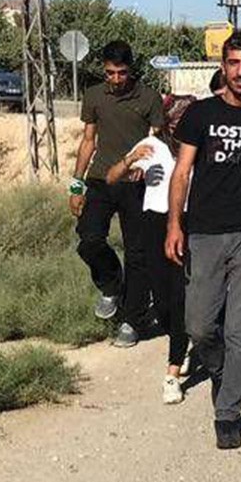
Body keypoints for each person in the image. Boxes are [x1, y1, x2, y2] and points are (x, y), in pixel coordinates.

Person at [166, 32, 241, 450]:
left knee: (239, 327)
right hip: (204, 231)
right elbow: (182, 172)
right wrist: (174, 224)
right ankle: (220, 367)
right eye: (234, 63)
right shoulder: (200, 114)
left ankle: (228, 412)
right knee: (199, 325)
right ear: (223, 65)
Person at [71, 40, 167, 334]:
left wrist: (144, 166)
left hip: (135, 184)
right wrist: (76, 185)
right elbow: (88, 141)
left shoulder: (149, 98)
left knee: (137, 252)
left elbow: (158, 141)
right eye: (110, 73)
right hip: (101, 179)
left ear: (131, 70)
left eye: (121, 73)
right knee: (88, 239)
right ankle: (112, 285)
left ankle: (132, 318)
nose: (115, 79)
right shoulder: (94, 95)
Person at [103, 95, 192, 401]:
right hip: (155, 223)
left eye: (187, 120)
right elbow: (111, 178)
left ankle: (173, 369)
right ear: (167, 122)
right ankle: (179, 338)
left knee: (181, 296)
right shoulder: (152, 146)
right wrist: (130, 162)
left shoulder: (201, 147)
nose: (182, 125)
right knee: (163, 300)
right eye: (177, 120)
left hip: (191, 223)